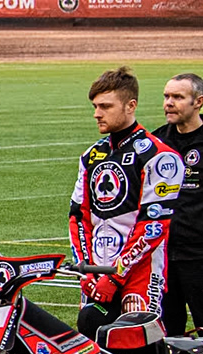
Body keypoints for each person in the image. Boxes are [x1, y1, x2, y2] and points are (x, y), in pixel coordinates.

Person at [69, 66, 181, 337]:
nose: (97, 113)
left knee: (136, 350)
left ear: (131, 106)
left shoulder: (159, 156)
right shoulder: (91, 156)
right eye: (95, 106)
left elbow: (153, 226)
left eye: (105, 106)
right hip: (96, 273)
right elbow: (78, 217)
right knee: (91, 342)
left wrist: (115, 276)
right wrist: (86, 270)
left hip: (139, 275)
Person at [157, 73, 203, 334]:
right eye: (167, 96)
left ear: (198, 102)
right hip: (163, 257)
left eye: (178, 97)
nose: (169, 103)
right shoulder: (156, 142)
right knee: (167, 330)